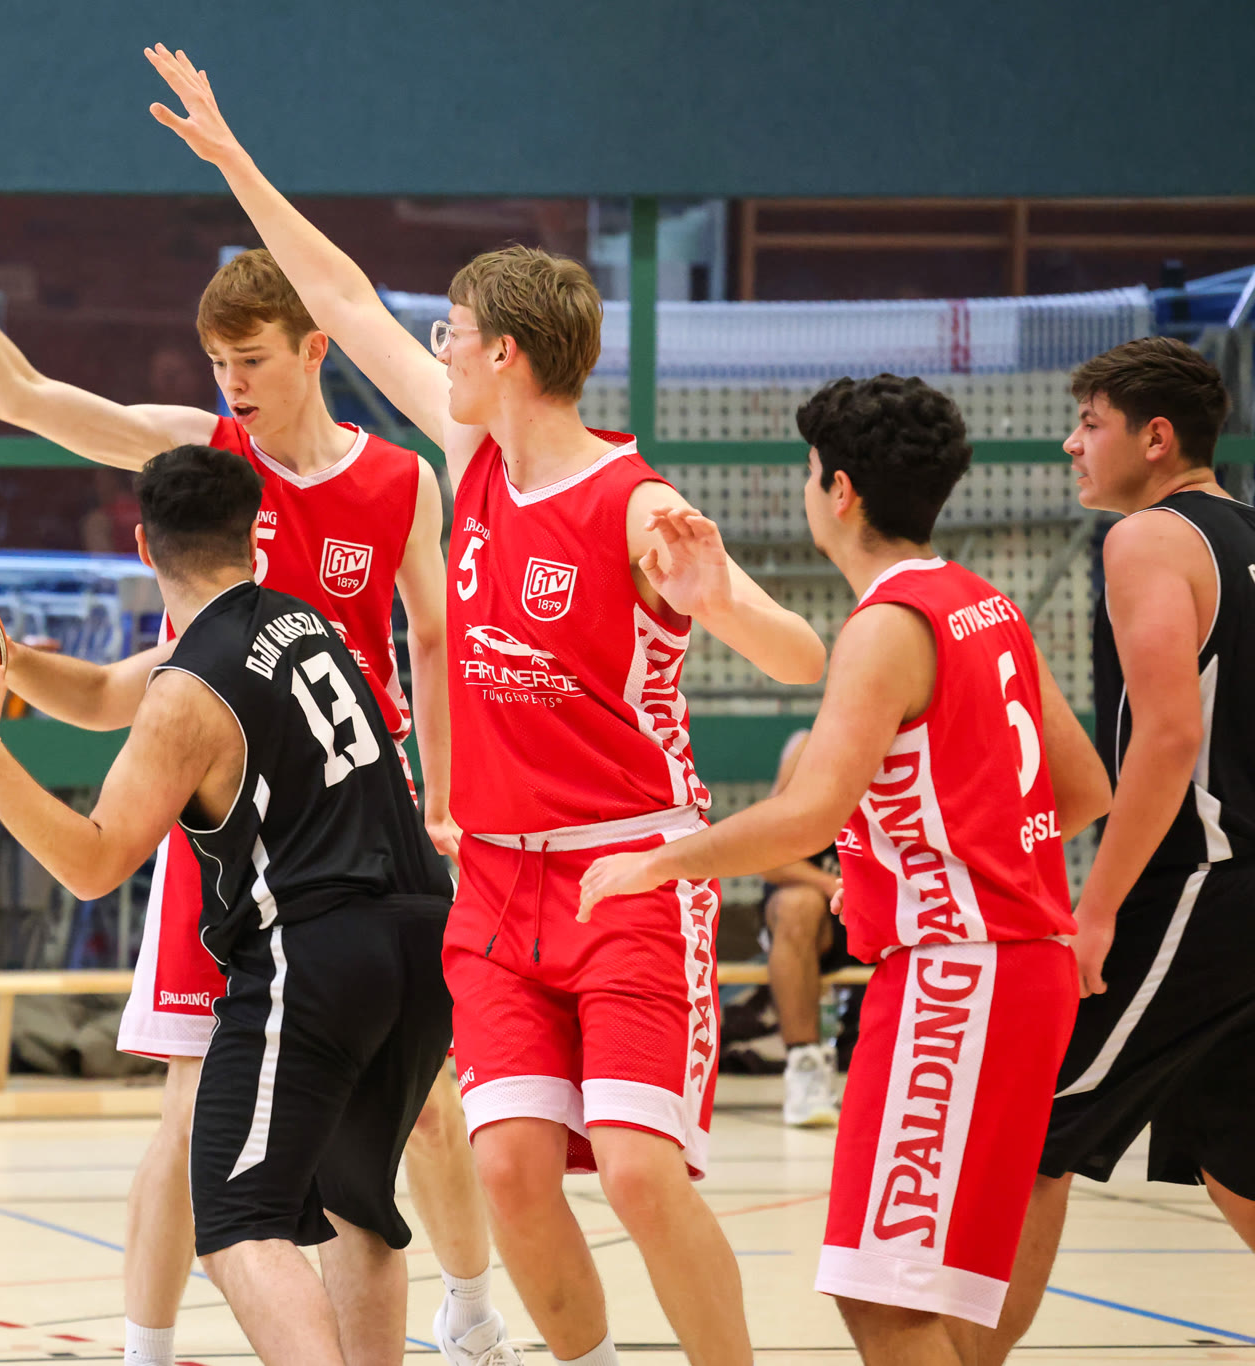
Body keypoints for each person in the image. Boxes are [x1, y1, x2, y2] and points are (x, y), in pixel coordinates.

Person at [143, 45, 826, 1366]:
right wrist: (235, 162)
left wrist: (721, 601)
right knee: (508, 1167)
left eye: (450, 333)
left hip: (628, 872)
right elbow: (339, 293)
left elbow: (801, 655)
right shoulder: (471, 457)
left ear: (502, 352)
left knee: (635, 1170)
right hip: (501, 885)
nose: (432, 348)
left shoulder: (632, 501)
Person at [0, 121, 516, 1366]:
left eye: (251, 360)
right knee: (187, 1116)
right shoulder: (200, 458)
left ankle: (472, 1309)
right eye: (217, 361)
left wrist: (440, 796)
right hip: (226, 820)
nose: (232, 383)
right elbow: (21, 396)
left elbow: (433, 646)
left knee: (424, 1111)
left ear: (313, 349)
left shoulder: (398, 481)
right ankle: (145, 1346)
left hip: (358, 811)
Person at [580, 375, 1110, 1364]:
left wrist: (660, 860)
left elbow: (806, 814)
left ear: (839, 490)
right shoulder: (985, 604)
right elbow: (1081, 787)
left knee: (881, 1300)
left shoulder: (886, 622)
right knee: (947, 1309)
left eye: (807, 470)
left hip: (952, 974)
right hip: (1022, 966)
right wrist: (970, 843)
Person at [0, 445, 458, 1366]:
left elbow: (94, 863)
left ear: (143, 546)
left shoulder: (190, 692)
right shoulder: (306, 625)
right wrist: (5, 656)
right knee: (358, 1209)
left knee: (237, 1223)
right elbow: (109, 690)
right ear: (253, 536)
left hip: (317, 957)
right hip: (421, 939)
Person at [982, 338, 1255, 1362]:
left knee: (1031, 1121)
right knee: (1236, 1156)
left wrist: (1093, 907)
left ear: (1155, 438)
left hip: (1200, 883)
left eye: (1089, 423)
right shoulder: (1246, 535)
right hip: (1238, 894)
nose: (1070, 443)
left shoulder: (1148, 538)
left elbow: (1171, 736)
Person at [759, 728, 855, 1127]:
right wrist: (834, 885)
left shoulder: (926, 745)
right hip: (821, 907)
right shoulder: (811, 751)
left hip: (890, 904)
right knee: (797, 905)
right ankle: (804, 1066)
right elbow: (767, 857)